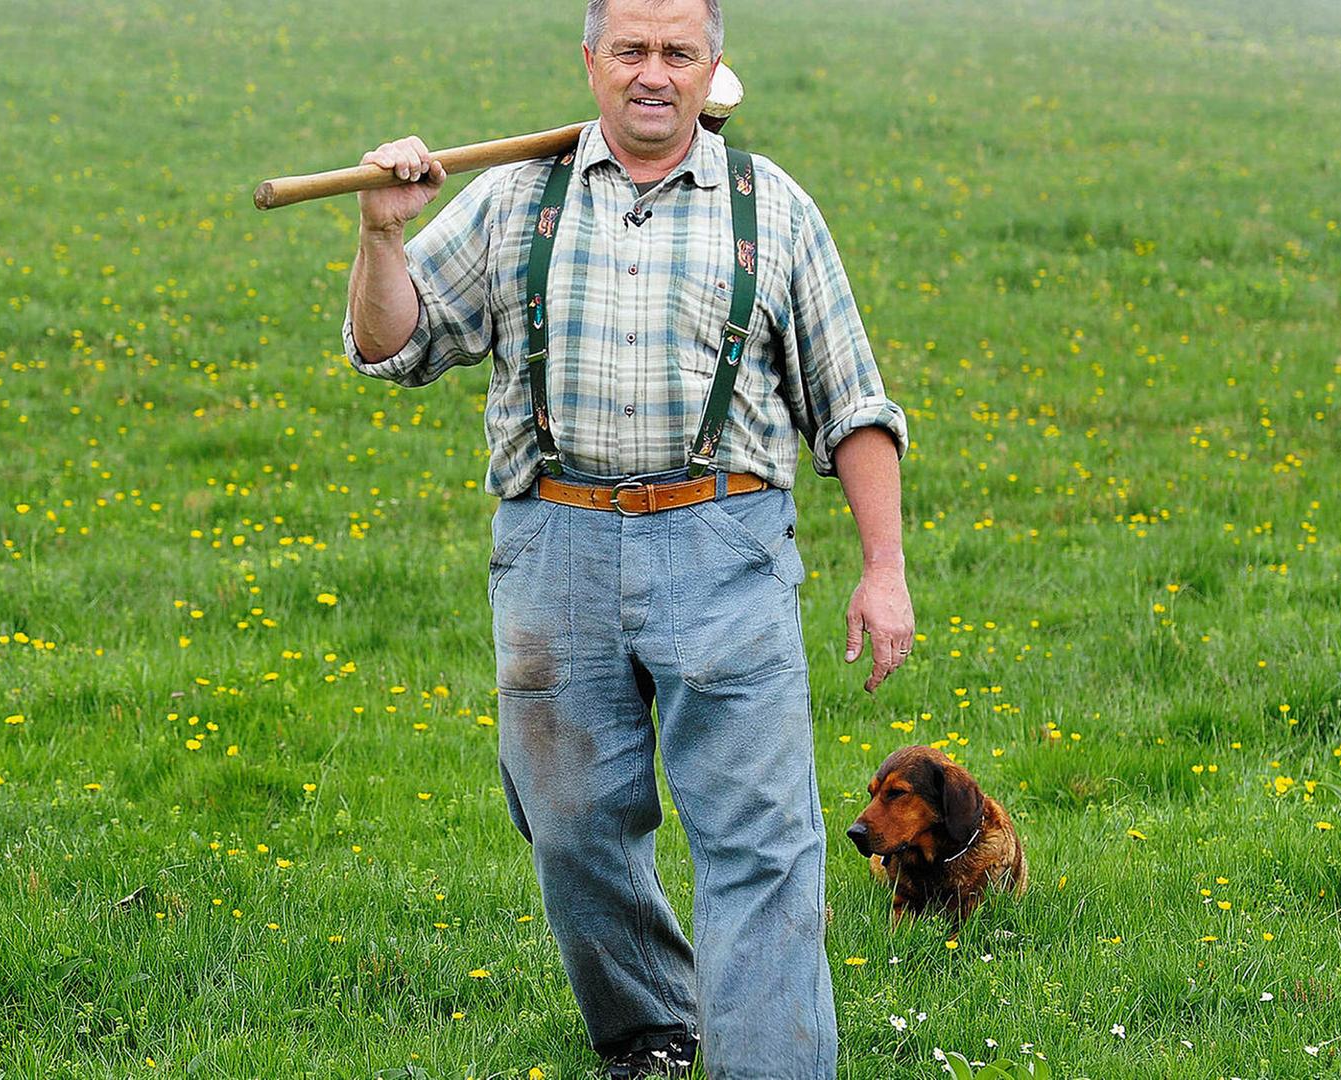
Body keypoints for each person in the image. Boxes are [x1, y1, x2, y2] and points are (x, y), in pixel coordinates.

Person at [341, 0, 913, 1075]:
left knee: (761, 847)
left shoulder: (771, 210)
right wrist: (380, 231)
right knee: (574, 834)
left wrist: (882, 571)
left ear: (713, 68)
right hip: (557, 550)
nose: (655, 74)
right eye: (634, 50)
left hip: (726, 546)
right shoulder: (518, 200)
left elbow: (853, 406)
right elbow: (391, 343)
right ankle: (654, 1028)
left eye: (678, 53)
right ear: (592, 60)